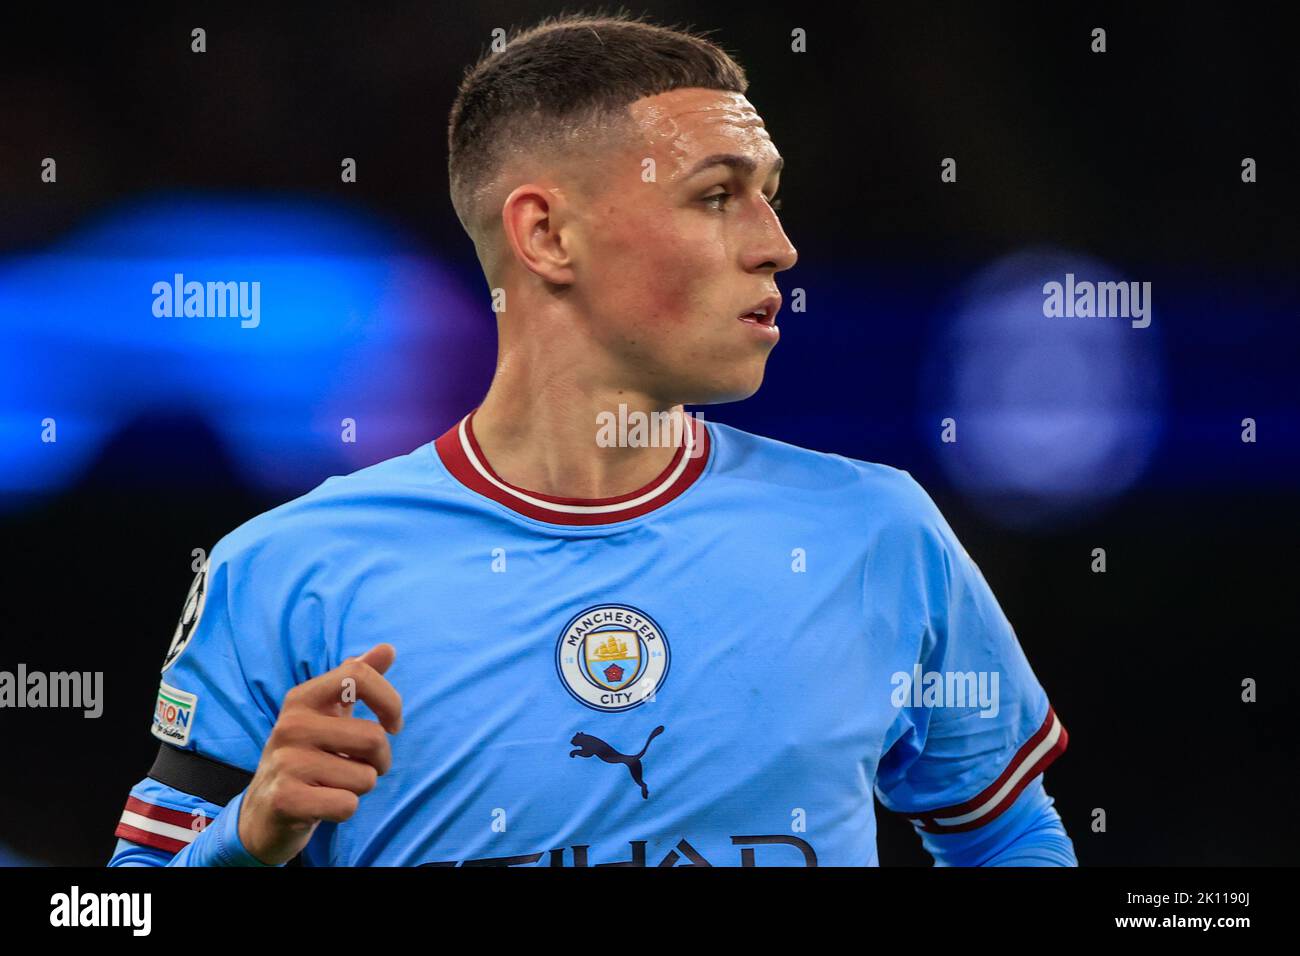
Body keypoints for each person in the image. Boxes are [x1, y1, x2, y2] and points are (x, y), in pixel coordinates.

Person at [109, 11, 1073, 867]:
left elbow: (1010, 837)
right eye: (716, 195)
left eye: (770, 193)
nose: (777, 242)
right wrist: (243, 842)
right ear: (548, 237)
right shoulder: (288, 570)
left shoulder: (877, 532)